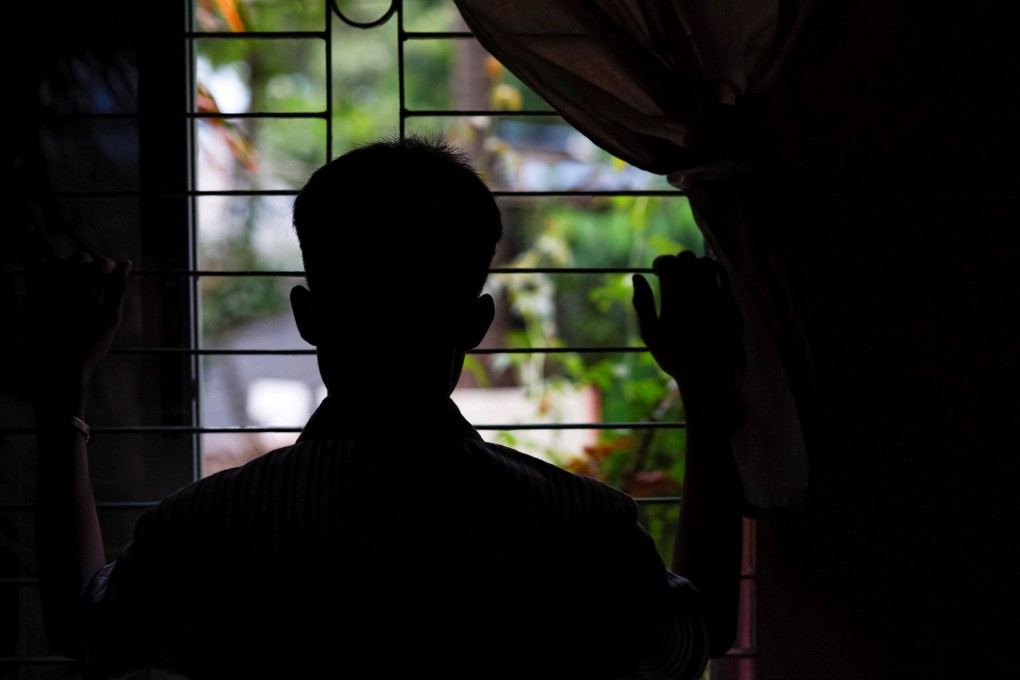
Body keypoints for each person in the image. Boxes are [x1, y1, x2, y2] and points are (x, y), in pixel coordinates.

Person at [29, 136, 743, 679]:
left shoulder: (211, 529)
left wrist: (61, 388)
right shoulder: (583, 530)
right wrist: (707, 397)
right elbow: (699, 628)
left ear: (308, 317)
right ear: (476, 323)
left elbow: (83, 627)